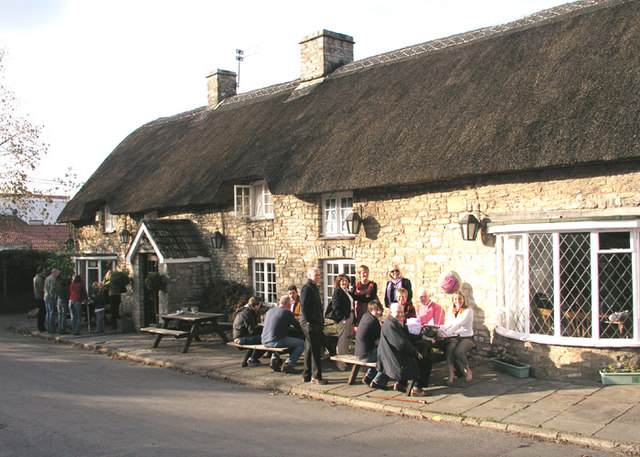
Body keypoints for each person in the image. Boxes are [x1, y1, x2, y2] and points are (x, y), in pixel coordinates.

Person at [370, 302, 429, 397]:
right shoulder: (391, 325)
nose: (401, 314)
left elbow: (406, 336)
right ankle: (416, 388)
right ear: (391, 312)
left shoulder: (394, 322)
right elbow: (401, 344)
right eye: (398, 312)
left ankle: (401, 384)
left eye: (402, 312)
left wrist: (422, 337)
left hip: (393, 355)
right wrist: (415, 352)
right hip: (392, 359)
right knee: (424, 361)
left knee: (418, 357)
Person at [438, 292, 475, 385]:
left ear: (463, 299)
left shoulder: (468, 311)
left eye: (460, 299)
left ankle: (467, 370)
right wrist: (440, 329)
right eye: (455, 299)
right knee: (449, 349)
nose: (457, 301)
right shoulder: (452, 310)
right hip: (455, 336)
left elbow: (459, 324)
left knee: (459, 351)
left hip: (466, 337)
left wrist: (446, 334)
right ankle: (451, 373)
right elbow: (449, 324)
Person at [262, 295, 305, 374]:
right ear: (288, 305)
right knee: (302, 344)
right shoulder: (287, 312)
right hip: (275, 341)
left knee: (285, 340)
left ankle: (274, 359)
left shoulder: (270, 311)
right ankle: (288, 364)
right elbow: (298, 326)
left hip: (264, 340)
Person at [300, 267, 327, 385]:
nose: (318, 277)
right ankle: (316, 376)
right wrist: (308, 321)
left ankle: (306, 375)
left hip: (314, 322)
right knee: (315, 349)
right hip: (310, 324)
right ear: (309, 276)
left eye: (319, 275)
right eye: (315, 275)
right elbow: (304, 306)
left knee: (309, 348)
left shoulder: (313, 288)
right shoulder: (307, 288)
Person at [330, 273, 355, 371]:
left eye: (346, 280)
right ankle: (340, 363)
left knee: (347, 339)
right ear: (339, 282)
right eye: (342, 281)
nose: (345, 282)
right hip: (344, 318)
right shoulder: (338, 292)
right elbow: (335, 307)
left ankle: (345, 360)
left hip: (350, 316)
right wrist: (342, 318)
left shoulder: (347, 292)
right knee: (342, 340)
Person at [355, 300, 383, 385]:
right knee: (386, 358)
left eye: (379, 309)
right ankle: (377, 381)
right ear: (370, 310)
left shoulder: (365, 316)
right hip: (365, 356)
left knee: (379, 354)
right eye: (375, 310)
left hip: (358, 354)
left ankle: (369, 377)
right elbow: (381, 337)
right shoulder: (374, 321)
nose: (378, 312)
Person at [232, 297, 264, 365]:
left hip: (239, 337)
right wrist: (262, 329)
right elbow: (252, 331)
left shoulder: (244, 310)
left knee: (262, 337)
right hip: (240, 339)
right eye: (259, 305)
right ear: (255, 306)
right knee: (266, 339)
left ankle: (253, 358)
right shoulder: (248, 313)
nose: (259, 308)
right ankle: (253, 358)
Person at [43, 268, 59, 333]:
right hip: (50, 297)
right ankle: (51, 328)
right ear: (54, 273)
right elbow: (52, 289)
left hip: (46, 296)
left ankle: (48, 327)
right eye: (57, 273)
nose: (58, 275)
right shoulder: (53, 279)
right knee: (52, 313)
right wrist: (54, 297)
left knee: (48, 312)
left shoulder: (47, 278)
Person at [33, 266, 46, 332]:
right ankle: (41, 326)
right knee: (42, 312)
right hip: (40, 297)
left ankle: (40, 326)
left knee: (41, 312)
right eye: (44, 271)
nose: (44, 272)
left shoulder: (36, 278)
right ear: (41, 271)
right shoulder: (39, 279)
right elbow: (41, 289)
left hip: (38, 297)